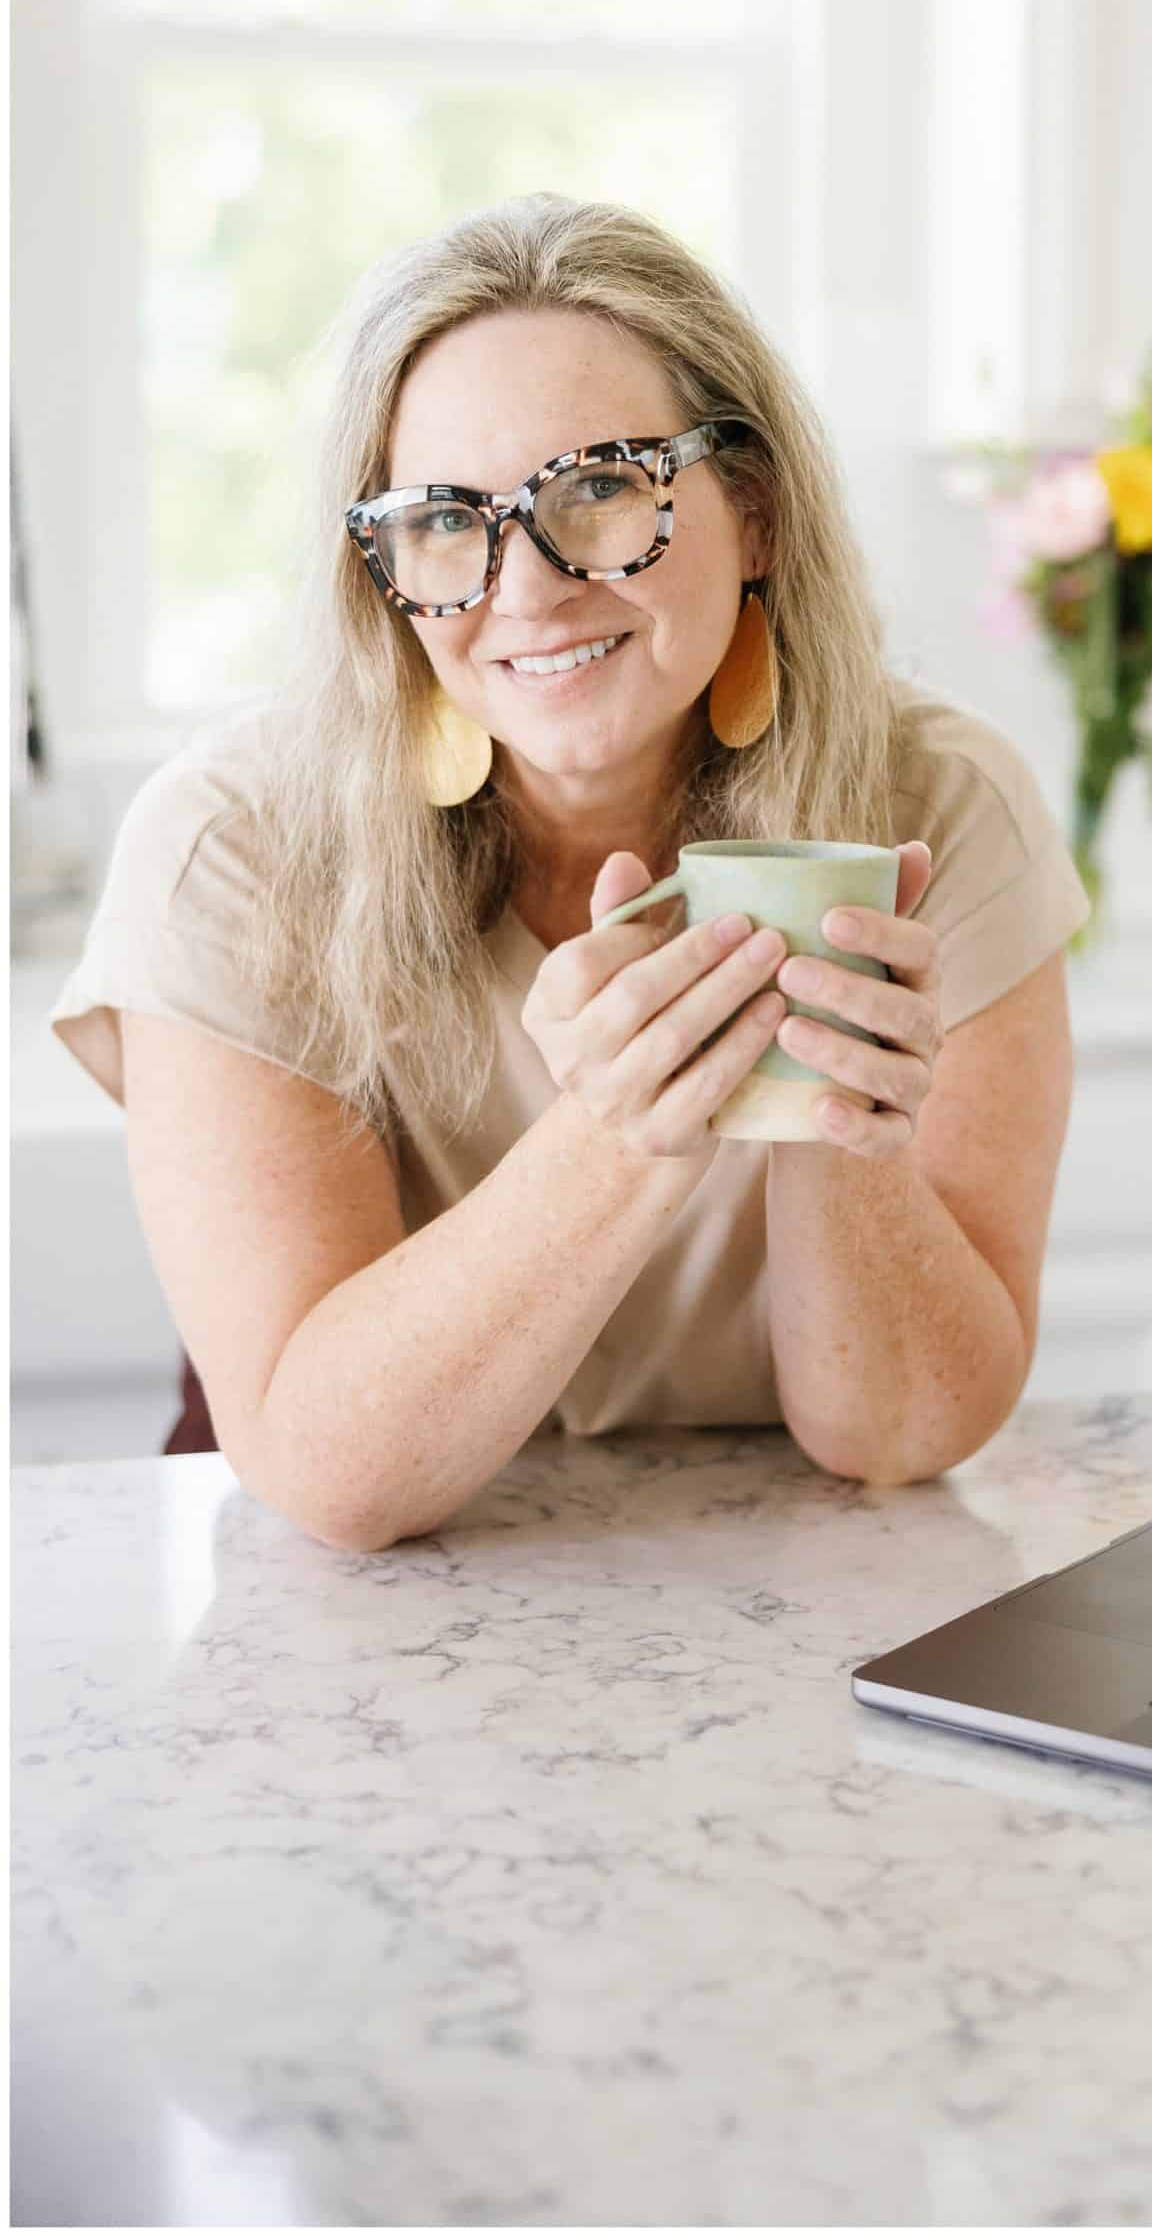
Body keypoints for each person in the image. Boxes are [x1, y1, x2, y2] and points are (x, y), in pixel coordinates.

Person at [52, 194, 1090, 1550]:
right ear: (380, 571)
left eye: (600, 489)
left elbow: (892, 1438)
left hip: (788, 1585)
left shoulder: (941, 810)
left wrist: (836, 1120)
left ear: (755, 512)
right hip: (348, 1634)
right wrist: (621, 1131)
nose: (524, 590)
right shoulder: (235, 851)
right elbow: (336, 1481)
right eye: (442, 521)